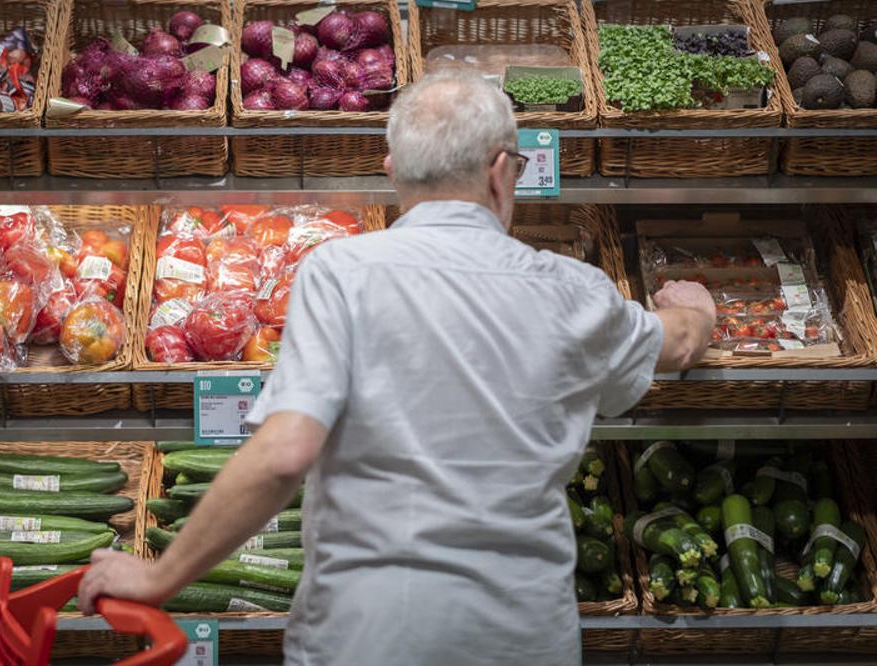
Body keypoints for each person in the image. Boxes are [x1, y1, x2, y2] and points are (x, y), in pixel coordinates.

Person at [78, 69, 715, 665]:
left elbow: (281, 454)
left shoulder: (340, 272)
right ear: (500, 173)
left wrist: (160, 576)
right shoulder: (574, 290)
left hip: (365, 633)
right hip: (518, 634)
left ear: (393, 173)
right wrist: (696, 310)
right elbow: (678, 342)